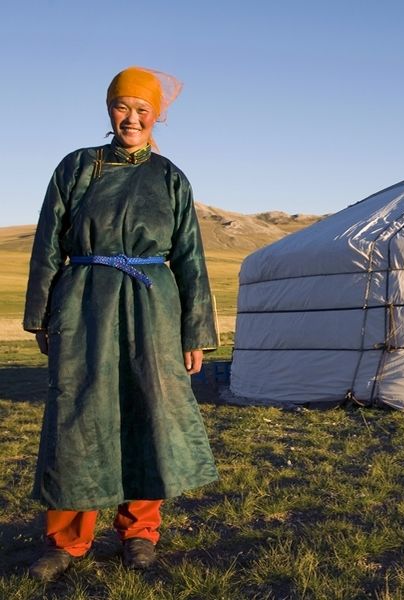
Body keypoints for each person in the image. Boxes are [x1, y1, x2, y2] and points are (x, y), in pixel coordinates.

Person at [23, 66, 219, 582]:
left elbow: (191, 257)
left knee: (146, 411)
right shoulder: (77, 168)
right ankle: (67, 540)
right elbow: (47, 243)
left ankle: (139, 534)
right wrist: (40, 313)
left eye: (142, 109)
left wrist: (195, 330)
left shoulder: (170, 176)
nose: (131, 118)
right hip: (84, 301)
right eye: (122, 106)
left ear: (157, 116)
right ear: (109, 110)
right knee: (77, 417)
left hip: (152, 306)